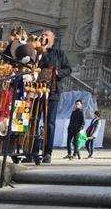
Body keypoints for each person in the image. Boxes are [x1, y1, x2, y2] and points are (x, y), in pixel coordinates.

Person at [37, 29, 71, 164]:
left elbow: (68, 69)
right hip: (36, 90)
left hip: (52, 91)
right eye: (42, 35)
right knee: (33, 121)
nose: (43, 36)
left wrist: (58, 72)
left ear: (53, 39)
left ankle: (47, 152)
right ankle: (32, 149)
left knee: (49, 123)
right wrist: (41, 51)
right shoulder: (37, 52)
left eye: (46, 35)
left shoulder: (59, 54)